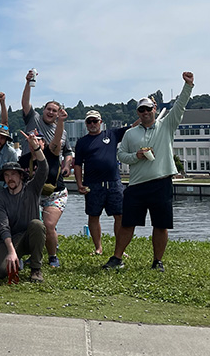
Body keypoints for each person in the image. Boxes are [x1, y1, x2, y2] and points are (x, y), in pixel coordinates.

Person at [103, 72, 195, 272]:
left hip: (161, 182)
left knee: (160, 225)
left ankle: (157, 261)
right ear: (138, 113)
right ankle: (117, 258)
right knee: (128, 224)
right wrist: (136, 156)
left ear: (155, 109)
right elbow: (121, 155)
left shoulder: (167, 126)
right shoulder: (130, 134)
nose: (145, 112)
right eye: (141, 110)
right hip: (136, 185)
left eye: (148, 109)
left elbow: (179, 106)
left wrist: (188, 86)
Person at [74, 110, 138, 255]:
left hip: (114, 183)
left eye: (95, 121)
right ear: (86, 124)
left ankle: (119, 248)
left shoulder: (112, 134)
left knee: (120, 216)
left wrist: (145, 113)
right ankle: (98, 248)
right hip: (92, 184)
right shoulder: (82, 142)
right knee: (93, 215)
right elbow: (77, 165)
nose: (92, 124)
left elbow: (133, 127)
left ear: (101, 122)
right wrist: (79, 184)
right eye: (89, 121)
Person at [0, 131, 48, 283]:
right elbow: (3, 227)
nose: (10, 178)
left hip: (31, 235)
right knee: (1, 271)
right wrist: (11, 252)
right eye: (7, 175)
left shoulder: (32, 188)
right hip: (13, 238)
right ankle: (19, 260)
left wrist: (36, 148)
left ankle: (36, 269)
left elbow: (43, 169)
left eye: (13, 174)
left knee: (37, 224)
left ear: (21, 176)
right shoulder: (0, 197)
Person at [19, 108, 68, 268]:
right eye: (32, 139)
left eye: (38, 139)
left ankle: (53, 256)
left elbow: (57, 139)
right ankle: (34, 253)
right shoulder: (24, 160)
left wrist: (60, 121)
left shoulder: (51, 152)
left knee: (48, 225)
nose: (35, 142)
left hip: (55, 194)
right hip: (35, 196)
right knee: (33, 225)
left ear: (43, 142)